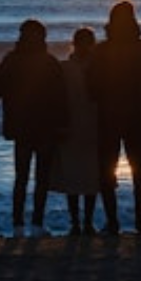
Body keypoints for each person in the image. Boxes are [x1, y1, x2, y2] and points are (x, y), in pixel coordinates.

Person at [87, 1, 141, 235]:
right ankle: (140, 220)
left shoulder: (101, 51)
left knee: (106, 170)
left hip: (109, 116)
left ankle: (112, 220)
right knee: (140, 170)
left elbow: (91, 87)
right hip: (140, 116)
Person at [0, 19, 68, 238]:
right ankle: (34, 223)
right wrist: (62, 124)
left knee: (23, 176)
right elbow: (61, 97)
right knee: (38, 177)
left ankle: (20, 224)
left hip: (24, 126)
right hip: (42, 126)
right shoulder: (49, 62)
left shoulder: (12, 60)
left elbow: (2, 92)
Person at [50, 27, 101, 236]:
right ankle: (81, 222)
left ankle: (81, 223)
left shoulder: (66, 68)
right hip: (82, 125)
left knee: (81, 176)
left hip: (83, 126)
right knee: (86, 176)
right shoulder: (73, 68)